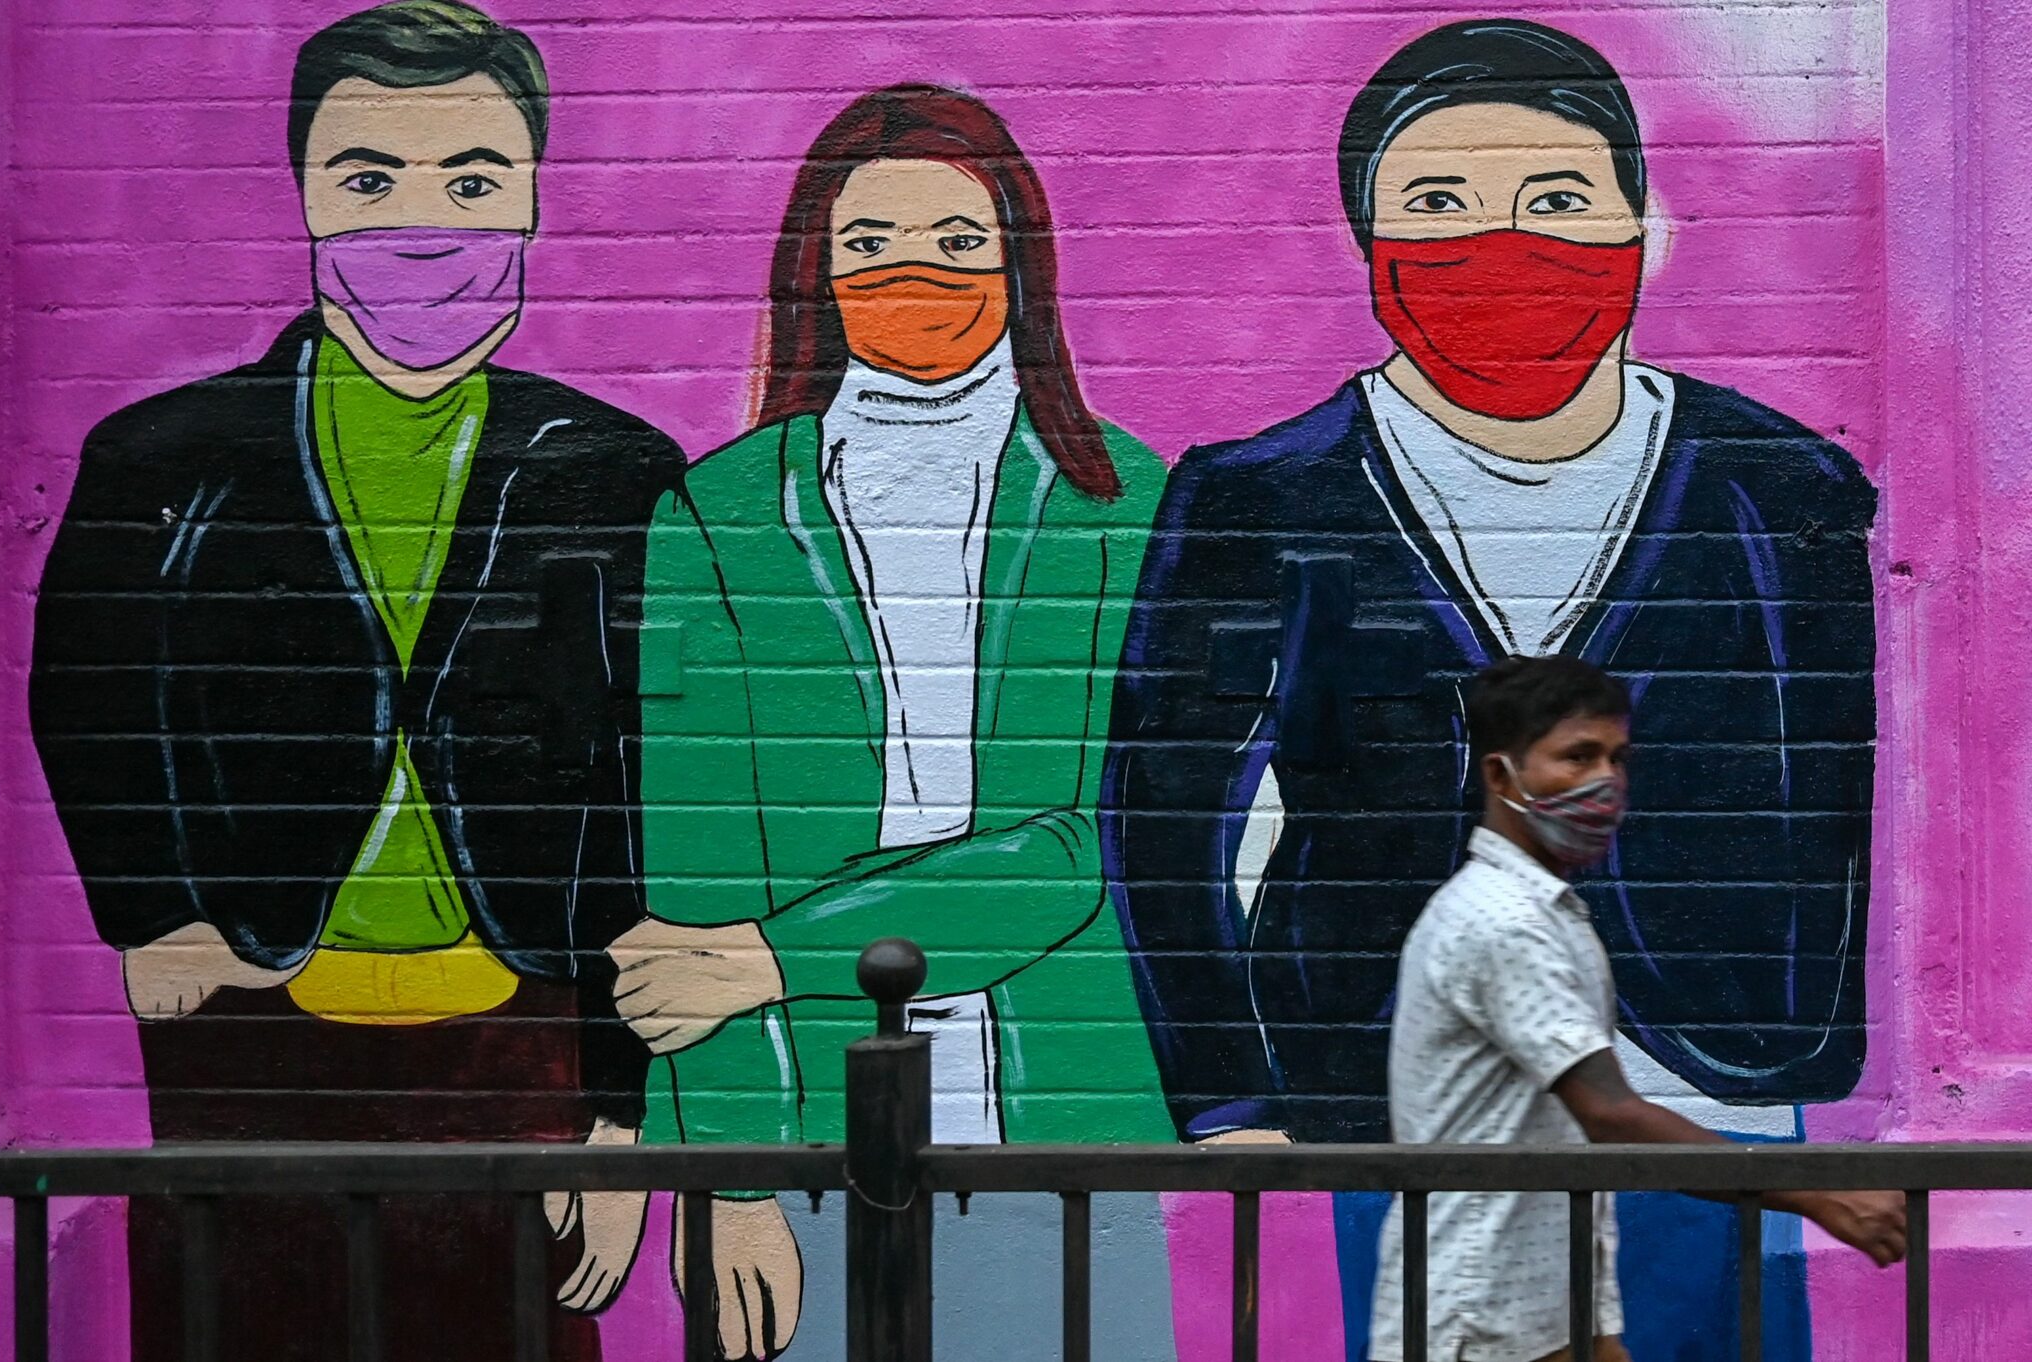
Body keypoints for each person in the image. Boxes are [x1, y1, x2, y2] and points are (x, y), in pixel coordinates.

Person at [1102, 18, 1878, 1359]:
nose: (1500, 243)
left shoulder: (1783, 488)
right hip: (1402, 1089)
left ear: (1644, 224)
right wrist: (1236, 1097)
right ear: (1369, 243)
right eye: (1439, 203)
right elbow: (1161, 818)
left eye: (1558, 199)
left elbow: (1829, 790)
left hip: (1712, 1079)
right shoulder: (1259, 497)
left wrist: (1789, 1040)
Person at [27, 4, 679, 1358]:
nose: (421, 221)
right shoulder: (165, 456)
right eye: (369, 177)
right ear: (308, 195)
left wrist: (617, 1107)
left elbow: (648, 782)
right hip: (247, 1017)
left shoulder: (618, 468)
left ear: (538, 199)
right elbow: (85, 688)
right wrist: (154, 914)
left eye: (474, 180)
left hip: (524, 1024)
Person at [619, 84, 1180, 1361]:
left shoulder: (1126, 503)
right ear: (813, 270)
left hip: (1064, 1136)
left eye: (955, 241)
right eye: (867, 244)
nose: (911, 275)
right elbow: (693, 888)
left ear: (1016, 264)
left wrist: (773, 955)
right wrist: (735, 1183)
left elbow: (1081, 850)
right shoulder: (718, 515)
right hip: (806, 1140)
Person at [1368, 654, 1904, 1362]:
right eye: (1577, 756)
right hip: (1480, 1317)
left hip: (1539, 1307)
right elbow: (1611, 1111)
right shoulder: (1504, 922)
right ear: (1500, 776)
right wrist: (1817, 1192)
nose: (1605, 783)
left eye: (1617, 757)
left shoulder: (1543, 911)